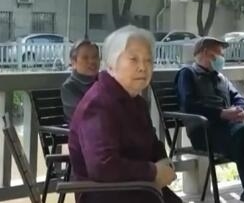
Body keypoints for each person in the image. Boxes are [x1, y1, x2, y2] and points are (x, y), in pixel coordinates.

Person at [68, 26, 181, 203]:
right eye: (133, 59)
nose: (143, 67)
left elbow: (152, 143)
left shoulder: (136, 101)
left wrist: (164, 161)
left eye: (148, 60)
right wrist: (153, 171)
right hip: (109, 194)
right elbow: (102, 166)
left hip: (141, 188)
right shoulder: (98, 104)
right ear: (111, 64)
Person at [174, 37, 244, 202]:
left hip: (229, 132)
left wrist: (240, 110)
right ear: (206, 53)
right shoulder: (187, 74)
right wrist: (220, 113)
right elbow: (189, 105)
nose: (222, 58)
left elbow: (239, 98)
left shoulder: (221, 78)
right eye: (219, 53)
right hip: (204, 132)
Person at [61, 39, 100, 120]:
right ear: (74, 62)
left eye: (95, 57)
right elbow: (84, 116)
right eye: (85, 58)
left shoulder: (104, 81)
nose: (92, 61)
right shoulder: (69, 87)